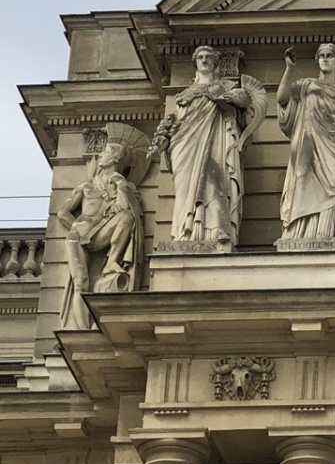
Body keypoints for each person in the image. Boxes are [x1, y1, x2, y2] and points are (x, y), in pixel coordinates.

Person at [155, 46, 264, 250]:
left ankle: (214, 231)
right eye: (200, 57)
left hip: (215, 141)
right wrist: (165, 142)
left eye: (208, 57)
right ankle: (184, 232)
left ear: (215, 63)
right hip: (184, 145)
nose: (204, 60)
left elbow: (244, 113)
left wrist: (233, 99)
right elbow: (178, 124)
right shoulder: (183, 96)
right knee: (184, 189)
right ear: (195, 63)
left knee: (214, 182)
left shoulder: (225, 87)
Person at [277, 43, 335, 248]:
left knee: (334, 189)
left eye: (329, 56)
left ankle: (326, 233)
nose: (325, 59)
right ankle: (299, 234)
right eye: (322, 56)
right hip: (308, 142)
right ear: (317, 61)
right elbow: (282, 98)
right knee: (302, 181)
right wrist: (289, 69)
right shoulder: (305, 85)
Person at [57, 128, 145, 329]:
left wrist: (121, 186)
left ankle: (112, 261)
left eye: (105, 152)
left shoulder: (126, 186)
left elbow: (128, 211)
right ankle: (83, 332)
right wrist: (76, 228)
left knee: (127, 216)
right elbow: (62, 213)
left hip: (102, 232)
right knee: (81, 282)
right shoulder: (86, 186)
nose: (100, 156)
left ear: (115, 158)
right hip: (78, 237)